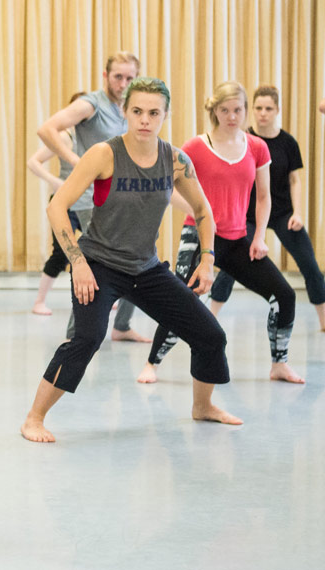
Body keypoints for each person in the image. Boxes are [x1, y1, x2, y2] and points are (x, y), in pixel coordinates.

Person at [20, 77, 240, 444]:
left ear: (165, 115)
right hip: (99, 265)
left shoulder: (174, 160)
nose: (144, 120)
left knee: (210, 335)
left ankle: (203, 406)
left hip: (146, 268)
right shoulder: (104, 154)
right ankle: (34, 418)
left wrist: (207, 259)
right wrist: (77, 263)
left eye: (154, 113)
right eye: (137, 111)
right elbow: (57, 207)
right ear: (125, 111)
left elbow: (203, 210)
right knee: (87, 337)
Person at [136, 81, 303, 385]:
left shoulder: (257, 147)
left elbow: (263, 197)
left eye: (238, 110)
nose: (232, 116)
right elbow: (166, 187)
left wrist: (259, 237)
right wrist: (202, 216)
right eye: (225, 110)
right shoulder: (196, 147)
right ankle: (152, 363)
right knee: (184, 298)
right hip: (198, 236)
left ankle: (280, 363)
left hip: (238, 238)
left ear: (245, 110)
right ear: (214, 110)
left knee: (285, 295)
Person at [37, 52, 150, 342]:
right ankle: (77, 336)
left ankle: (122, 326)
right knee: (93, 267)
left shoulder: (129, 109)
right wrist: (77, 162)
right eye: (118, 77)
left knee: (137, 256)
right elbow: (47, 129)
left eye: (129, 77)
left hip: (118, 201)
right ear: (105, 75)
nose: (124, 83)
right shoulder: (92, 104)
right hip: (89, 202)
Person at [209, 86, 325, 330]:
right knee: (230, 268)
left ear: (277, 110)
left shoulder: (288, 143)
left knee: (310, 265)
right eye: (259, 108)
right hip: (248, 217)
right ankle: (211, 317)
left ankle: (324, 320)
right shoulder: (244, 140)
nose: (263, 113)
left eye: (268, 108)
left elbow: (295, 180)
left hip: (283, 214)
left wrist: (298, 213)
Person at [28, 92, 86, 316]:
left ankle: (102, 296)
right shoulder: (65, 137)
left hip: (88, 203)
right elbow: (33, 162)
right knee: (62, 253)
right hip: (67, 203)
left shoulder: (94, 137)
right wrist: (56, 182)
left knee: (98, 251)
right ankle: (39, 301)